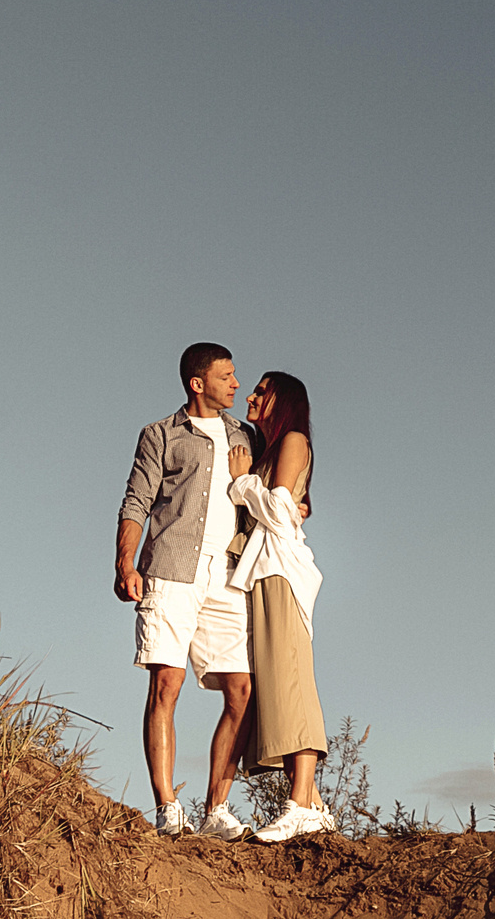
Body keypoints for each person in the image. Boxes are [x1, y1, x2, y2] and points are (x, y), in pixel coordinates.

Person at [116, 342, 255, 840]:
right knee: (166, 685)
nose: (236, 384)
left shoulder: (247, 436)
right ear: (198, 383)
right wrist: (124, 563)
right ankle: (168, 807)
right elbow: (136, 499)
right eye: (227, 376)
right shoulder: (161, 434)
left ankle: (217, 809)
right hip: (171, 570)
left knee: (241, 690)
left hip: (228, 575)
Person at [225, 369, 331, 843]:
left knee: (292, 680)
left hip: (282, 571)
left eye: (261, 391)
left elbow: (282, 510)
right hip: (264, 572)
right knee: (278, 684)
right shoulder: (275, 446)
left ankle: (301, 804)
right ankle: (310, 804)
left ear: (282, 400)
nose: (250, 395)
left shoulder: (293, 439)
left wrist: (243, 482)